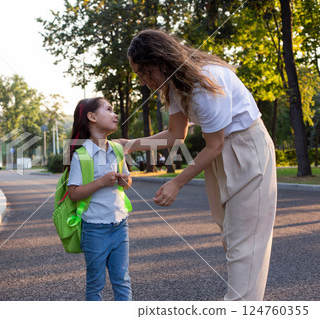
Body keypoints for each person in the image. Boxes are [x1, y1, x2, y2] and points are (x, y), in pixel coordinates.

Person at [118, 29, 277, 301]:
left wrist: (176, 182)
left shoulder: (204, 83)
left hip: (247, 149)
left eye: (145, 73)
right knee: (231, 237)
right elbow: (175, 135)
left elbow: (214, 145)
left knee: (245, 246)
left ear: (162, 62)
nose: (144, 81)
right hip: (221, 154)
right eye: (139, 75)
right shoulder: (175, 86)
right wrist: (128, 144)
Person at [67, 97, 133, 301]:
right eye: (109, 109)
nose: (115, 115)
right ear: (92, 116)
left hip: (120, 225)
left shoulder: (117, 150)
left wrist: (124, 181)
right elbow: (74, 192)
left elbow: (128, 180)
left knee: (122, 280)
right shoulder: (82, 155)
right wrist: (102, 182)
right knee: (95, 284)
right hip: (94, 229)